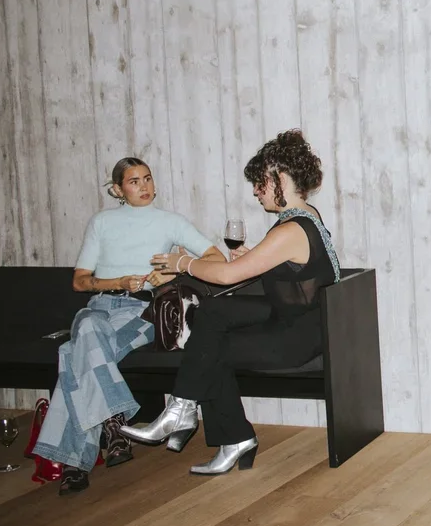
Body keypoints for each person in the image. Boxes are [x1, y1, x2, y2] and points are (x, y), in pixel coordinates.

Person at [122, 130, 340, 475]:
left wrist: (183, 263)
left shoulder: (289, 231)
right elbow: (294, 270)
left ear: (280, 178)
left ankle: (210, 424)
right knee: (211, 312)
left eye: (259, 183)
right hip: (301, 317)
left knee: (211, 347)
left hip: (299, 335)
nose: (255, 191)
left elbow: (227, 276)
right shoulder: (304, 216)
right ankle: (187, 411)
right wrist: (254, 257)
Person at [30, 158, 224, 495]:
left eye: (147, 179)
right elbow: (79, 282)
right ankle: (115, 424)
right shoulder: (102, 222)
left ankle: (77, 463)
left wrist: (177, 269)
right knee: (86, 331)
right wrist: (118, 280)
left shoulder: (169, 221)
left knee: (74, 351)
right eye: (134, 181)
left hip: (143, 312)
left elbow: (216, 259)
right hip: (100, 306)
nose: (145, 186)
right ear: (118, 189)